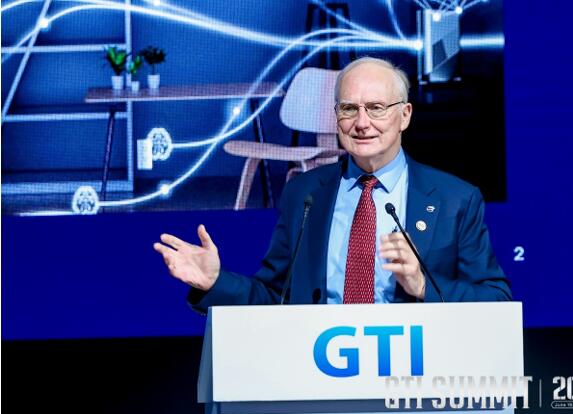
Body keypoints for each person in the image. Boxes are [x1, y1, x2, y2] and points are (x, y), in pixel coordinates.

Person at [154, 57, 511, 312]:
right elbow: (277, 298)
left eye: (376, 107)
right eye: (349, 109)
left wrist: (422, 285)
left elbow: (497, 302)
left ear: (404, 116)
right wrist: (216, 282)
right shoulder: (304, 194)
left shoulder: (455, 199)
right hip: (322, 371)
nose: (362, 123)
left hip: (413, 376)